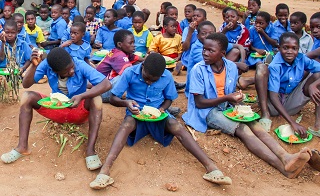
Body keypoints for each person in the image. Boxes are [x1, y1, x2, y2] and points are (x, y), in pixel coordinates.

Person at [89, 53, 232, 190]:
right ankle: (105, 172)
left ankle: (211, 168)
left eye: (154, 80)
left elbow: (169, 98)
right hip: (136, 113)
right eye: (147, 78)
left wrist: (163, 109)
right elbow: (114, 98)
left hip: (158, 113)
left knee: (176, 126)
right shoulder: (130, 73)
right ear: (143, 66)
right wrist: (127, 103)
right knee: (126, 125)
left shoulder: (167, 76)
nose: (149, 82)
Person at [182, 32, 312, 179]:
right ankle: (281, 166)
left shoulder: (230, 67)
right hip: (208, 111)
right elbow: (199, 103)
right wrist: (227, 97)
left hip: (227, 106)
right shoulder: (198, 70)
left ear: (222, 53)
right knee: (243, 130)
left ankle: (286, 156)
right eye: (204, 49)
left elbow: (229, 92)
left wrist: (237, 99)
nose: (205, 53)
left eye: (211, 51)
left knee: (254, 124)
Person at [0, 47, 111, 170]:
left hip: (78, 111)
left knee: (96, 99)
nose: (72, 71)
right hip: (56, 109)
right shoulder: (47, 65)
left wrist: (82, 96)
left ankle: (90, 151)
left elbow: (106, 84)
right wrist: (33, 66)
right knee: (27, 97)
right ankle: (22, 147)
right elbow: (26, 84)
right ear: (54, 71)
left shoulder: (79, 63)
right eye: (67, 71)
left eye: (72, 67)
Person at [255, 32, 320, 144]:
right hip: (273, 106)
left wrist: (314, 85)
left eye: (294, 48)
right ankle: (265, 116)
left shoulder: (302, 58)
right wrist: (292, 123)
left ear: (298, 49)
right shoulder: (276, 65)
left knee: (318, 76)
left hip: (291, 103)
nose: (290, 51)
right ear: (279, 48)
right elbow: (274, 97)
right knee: (261, 68)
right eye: (285, 48)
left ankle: (319, 126)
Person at [96, 29, 142, 102]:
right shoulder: (119, 56)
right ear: (120, 44)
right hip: (101, 93)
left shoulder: (122, 51)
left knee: (136, 66)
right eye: (130, 43)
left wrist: (146, 60)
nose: (134, 45)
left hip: (102, 87)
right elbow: (130, 73)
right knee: (127, 75)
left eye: (134, 42)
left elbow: (136, 58)